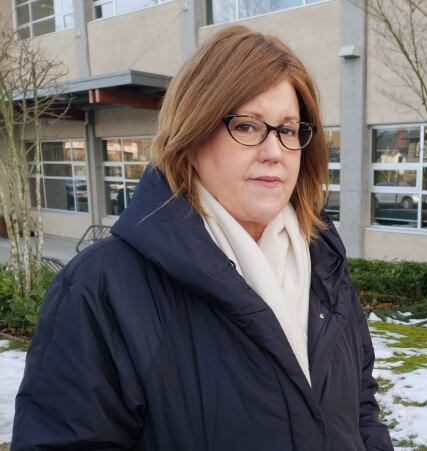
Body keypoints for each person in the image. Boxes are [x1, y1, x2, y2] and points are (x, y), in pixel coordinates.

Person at [11, 26, 394, 451]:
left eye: (288, 129)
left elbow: (359, 402)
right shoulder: (102, 288)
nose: (274, 150)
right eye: (247, 126)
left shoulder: (322, 260)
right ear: (191, 138)